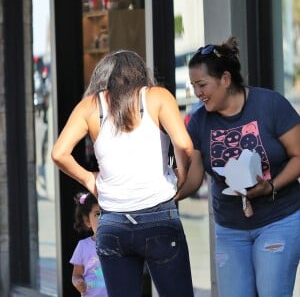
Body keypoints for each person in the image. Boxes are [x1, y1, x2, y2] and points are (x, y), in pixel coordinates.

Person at [51, 50, 194, 296]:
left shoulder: (90, 106)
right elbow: (185, 145)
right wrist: (180, 175)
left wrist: (88, 178)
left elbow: (59, 153)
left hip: (113, 221)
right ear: (141, 73)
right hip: (158, 214)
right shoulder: (158, 97)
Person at [175, 36, 300, 297]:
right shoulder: (199, 121)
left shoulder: (270, 105)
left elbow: (299, 155)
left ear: (226, 80)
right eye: (193, 86)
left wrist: (271, 186)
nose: (197, 93)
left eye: (202, 84)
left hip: (279, 220)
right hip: (230, 228)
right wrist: (167, 195)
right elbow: (195, 176)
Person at [70, 192, 108, 297]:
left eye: (107, 213)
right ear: (87, 221)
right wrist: (78, 282)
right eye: (97, 214)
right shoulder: (83, 246)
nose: (103, 218)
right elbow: (76, 275)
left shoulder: (119, 244)